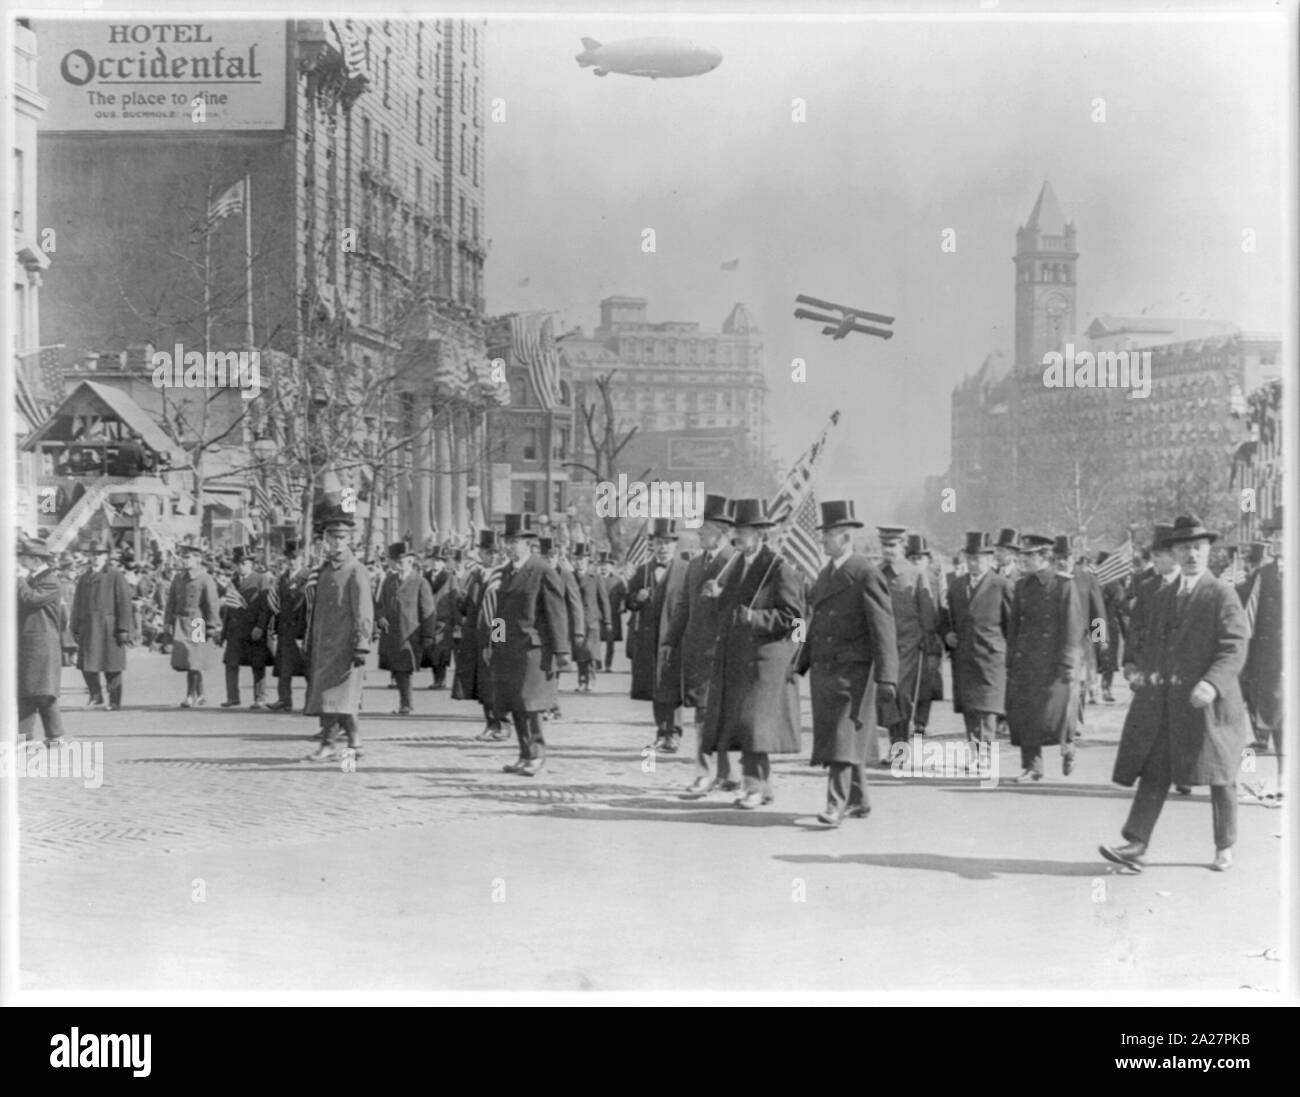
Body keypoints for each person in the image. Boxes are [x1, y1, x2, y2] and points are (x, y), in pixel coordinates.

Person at [1102, 514, 1251, 873]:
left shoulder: (1221, 593)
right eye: (1184, 549)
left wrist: (1212, 683)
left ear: (1208, 552)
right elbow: (1150, 639)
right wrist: (1136, 667)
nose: (1192, 555)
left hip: (1211, 703)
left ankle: (1224, 845)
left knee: (1221, 774)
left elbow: (1234, 645)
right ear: (1173, 553)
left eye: (1198, 548)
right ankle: (1136, 844)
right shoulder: (1163, 594)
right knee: (1156, 769)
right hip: (1168, 701)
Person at [793, 501, 898, 826]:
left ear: (844, 537)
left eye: (827, 535)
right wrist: (800, 664)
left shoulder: (865, 573)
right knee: (844, 737)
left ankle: (834, 804)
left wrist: (887, 678)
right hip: (827, 671)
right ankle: (860, 800)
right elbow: (817, 625)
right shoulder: (826, 574)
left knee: (841, 736)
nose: (821, 541)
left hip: (854, 672)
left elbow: (883, 629)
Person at [701, 499, 804, 809]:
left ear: (760, 534)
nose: (736, 537)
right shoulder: (738, 566)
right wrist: (716, 596)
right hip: (738, 658)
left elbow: (794, 618)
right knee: (745, 726)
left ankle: (754, 787)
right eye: (734, 531)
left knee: (753, 725)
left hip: (766, 661)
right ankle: (760, 787)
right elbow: (730, 611)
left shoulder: (778, 568)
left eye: (742, 532)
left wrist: (755, 618)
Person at [664, 494, 738, 793]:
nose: (699, 535)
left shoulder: (736, 562)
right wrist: (671, 640)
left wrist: (722, 594)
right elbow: (684, 605)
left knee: (719, 714)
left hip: (725, 650)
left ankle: (715, 773)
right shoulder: (694, 565)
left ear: (721, 532)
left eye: (704, 531)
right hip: (697, 651)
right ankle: (715, 772)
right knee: (703, 713)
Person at [490, 513, 570, 776]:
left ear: (528, 543)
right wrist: (495, 642)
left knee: (531, 704)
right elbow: (499, 613)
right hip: (509, 650)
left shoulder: (542, 570)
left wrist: (561, 652)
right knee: (515, 703)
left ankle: (536, 754)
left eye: (515, 542)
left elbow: (556, 613)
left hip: (534, 649)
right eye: (508, 541)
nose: (510, 546)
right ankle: (524, 755)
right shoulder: (505, 572)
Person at [1006, 533, 1082, 781]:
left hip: (1066, 652)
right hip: (1026, 660)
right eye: (1022, 555)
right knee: (1026, 714)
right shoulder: (1022, 586)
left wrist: (1102, 644)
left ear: (1046, 556)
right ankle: (1032, 766)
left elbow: (1098, 617)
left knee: (1057, 712)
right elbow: (1015, 626)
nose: (1022, 560)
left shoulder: (1070, 583)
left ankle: (1068, 744)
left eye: (1028, 555)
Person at [304, 504, 374, 763]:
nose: (335, 543)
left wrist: (362, 644)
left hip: (346, 644)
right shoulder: (323, 571)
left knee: (337, 696)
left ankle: (330, 744)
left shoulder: (356, 570)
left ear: (349, 540)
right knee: (334, 696)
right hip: (324, 644)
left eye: (341, 538)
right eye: (330, 538)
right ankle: (354, 741)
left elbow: (364, 611)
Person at [940, 531, 1013, 749]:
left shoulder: (1002, 585)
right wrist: (946, 636)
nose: (973, 563)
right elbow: (946, 618)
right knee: (970, 707)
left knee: (987, 708)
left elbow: (1012, 626)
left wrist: (1100, 640)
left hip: (991, 657)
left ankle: (985, 754)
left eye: (979, 558)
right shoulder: (956, 586)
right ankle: (976, 752)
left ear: (990, 559)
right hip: (964, 657)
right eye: (970, 558)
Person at [874, 525, 936, 758]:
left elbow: (927, 612)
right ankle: (895, 746)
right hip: (882, 645)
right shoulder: (875, 572)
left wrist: (930, 648)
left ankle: (899, 748)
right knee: (885, 696)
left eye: (892, 546)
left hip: (908, 645)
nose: (888, 550)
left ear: (902, 546)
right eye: (884, 546)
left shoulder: (915, 574)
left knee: (901, 695)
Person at [626, 518, 688, 752]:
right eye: (659, 543)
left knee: (672, 686)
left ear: (674, 545)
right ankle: (661, 731)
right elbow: (627, 601)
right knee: (656, 687)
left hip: (674, 638)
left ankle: (674, 732)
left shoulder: (685, 570)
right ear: (653, 545)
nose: (663, 548)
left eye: (667, 543)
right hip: (649, 640)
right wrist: (636, 599)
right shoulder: (644, 571)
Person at [1237, 508, 1283, 801]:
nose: (1279, 541)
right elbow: (1247, 623)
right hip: (1269, 662)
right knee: (1276, 721)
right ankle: (1281, 779)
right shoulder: (1262, 576)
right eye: (1275, 535)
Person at [453, 529, 508, 740]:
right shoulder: (475, 575)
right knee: (482, 684)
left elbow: (501, 613)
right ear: (481, 554)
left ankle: (502, 724)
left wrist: (497, 642)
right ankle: (490, 723)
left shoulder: (502, 577)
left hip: (493, 636)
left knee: (495, 682)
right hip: (475, 636)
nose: (492, 556)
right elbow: (466, 607)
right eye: (488, 552)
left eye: (495, 552)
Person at [17, 536, 69, 748]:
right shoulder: (35, 578)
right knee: (31, 690)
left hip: (41, 643)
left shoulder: (49, 581)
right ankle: (34, 736)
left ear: (35, 559)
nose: (21, 561)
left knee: (41, 691)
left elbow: (30, 599)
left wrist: (19, 580)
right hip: (32, 642)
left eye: (24, 558)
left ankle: (49, 736)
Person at [70, 541, 132, 710]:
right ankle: (95, 695)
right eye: (93, 554)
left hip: (108, 627)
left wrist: (123, 628)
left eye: (99, 554)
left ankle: (114, 699)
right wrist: (74, 626)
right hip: (89, 626)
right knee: (87, 664)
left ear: (106, 556)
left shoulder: (115, 575)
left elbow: (124, 603)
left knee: (111, 664)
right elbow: (77, 604)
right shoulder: (84, 577)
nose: (95, 557)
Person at [376, 543, 435, 715]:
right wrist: (380, 617)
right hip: (391, 634)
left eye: (402, 560)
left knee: (404, 670)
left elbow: (428, 610)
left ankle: (406, 704)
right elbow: (379, 604)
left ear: (411, 561)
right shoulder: (389, 581)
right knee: (398, 669)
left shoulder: (420, 582)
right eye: (395, 560)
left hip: (410, 635)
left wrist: (428, 635)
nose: (398, 564)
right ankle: (405, 703)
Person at [164, 542, 222, 707]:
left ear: (198, 559)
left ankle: (191, 695)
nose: (184, 560)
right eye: (183, 557)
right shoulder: (178, 578)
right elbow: (171, 602)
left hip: (197, 621)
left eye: (188, 557)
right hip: (181, 621)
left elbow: (212, 603)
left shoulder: (205, 578)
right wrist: (167, 622)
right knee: (187, 660)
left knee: (194, 660)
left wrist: (212, 625)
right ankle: (200, 693)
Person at [220, 547, 274, 709]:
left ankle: (259, 698)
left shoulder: (261, 579)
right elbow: (227, 608)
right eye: (239, 563)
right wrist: (223, 632)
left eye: (246, 563)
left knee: (257, 664)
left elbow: (266, 607)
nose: (242, 566)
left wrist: (260, 626)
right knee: (231, 663)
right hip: (235, 629)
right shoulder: (233, 581)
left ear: (251, 564)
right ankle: (232, 697)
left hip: (253, 628)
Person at [904, 533, 946, 734]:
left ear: (927, 559)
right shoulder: (904, 578)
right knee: (908, 682)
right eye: (912, 558)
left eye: (920, 558)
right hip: (909, 639)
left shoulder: (935, 580)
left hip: (931, 638)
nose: (916, 562)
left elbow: (941, 608)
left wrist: (939, 636)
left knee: (926, 684)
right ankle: (907, 719)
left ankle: (921, 721)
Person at [268, 540, 310, 712]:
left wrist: (304, 633)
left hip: (302, 629)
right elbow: (278, 605)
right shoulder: (283, 578)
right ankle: (284, 700)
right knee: (284, 670)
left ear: (302, 558)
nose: (292, 562)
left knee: (308, 669)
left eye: (295, 558)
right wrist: (275, 628)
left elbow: (310, 606)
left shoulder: (308, 577)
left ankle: (311, 702)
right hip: (285, 630)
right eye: (289, 559)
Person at [570, 543, 609, 691]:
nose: (579, 562)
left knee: (591, 652)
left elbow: (603, 599)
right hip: (576, 621)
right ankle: (581, 679)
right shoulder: (570, 576)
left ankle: (591, 679)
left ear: (587, 561)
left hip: (592, 620)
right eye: (577, 559)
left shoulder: (595, 577)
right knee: (580, 652)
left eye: (582, 559)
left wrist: (607, 620)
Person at [1095, 552, 1130, 703]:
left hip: (1097, 624)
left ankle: (1092, 691)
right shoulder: (1115, 586)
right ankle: (1105, 689)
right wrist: (1126, 632)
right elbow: (1121, 611)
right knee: (1106, 658)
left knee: (1096, 656)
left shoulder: (1092, 581)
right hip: (1107, 625)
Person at [423, 548, 458, 690]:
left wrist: (456, 621)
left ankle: (441, 679)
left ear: (444, 563)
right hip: (428, 618)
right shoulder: (425, 576)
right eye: (434, 560)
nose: (436, 563)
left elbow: (454, 599)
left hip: (444, 619)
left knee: (442, 650)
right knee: (431, 650)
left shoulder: (450, 577)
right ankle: (436, 679)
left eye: (439, 561)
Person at [601, 553, 626, 673]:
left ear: (611, 567)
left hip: (612, 616)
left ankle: (608, 664)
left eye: (607, 565)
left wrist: (622, 606)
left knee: (610, 642)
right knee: (595, 641)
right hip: (598, 615)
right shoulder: (595, 578)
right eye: (602, 565)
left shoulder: (617, 581)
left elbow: (624, 596)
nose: (604, 567)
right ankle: (596, 662)